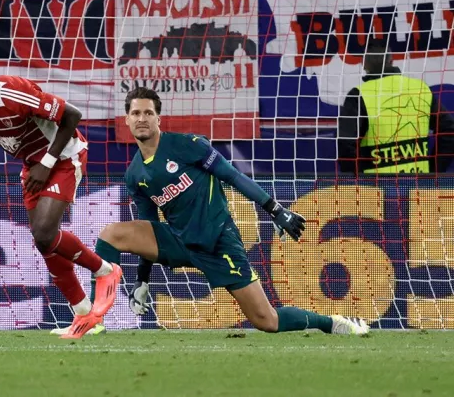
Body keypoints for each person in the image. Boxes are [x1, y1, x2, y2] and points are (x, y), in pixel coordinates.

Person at [94, 87, 371, 336]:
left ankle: (330, 323)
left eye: (148, 113)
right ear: (127, 119)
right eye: (135, 113)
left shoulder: (188, 146)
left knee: (267, 321)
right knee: (111, 234)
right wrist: (142, 280)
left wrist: (274, 209)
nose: (142, 118)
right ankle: (95, 320)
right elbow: (149, 226)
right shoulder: (134, 174)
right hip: (178, 241)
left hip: (217, 241)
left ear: (158, 119)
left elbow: (234, 177)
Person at [0, 45, 122, 339]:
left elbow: (72, 116)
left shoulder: (12, 92)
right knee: (44, 244)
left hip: (64, 156)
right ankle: (85, 316)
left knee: (43, 234)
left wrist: (46, 163)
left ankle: (105, 270)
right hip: (33, 166)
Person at [338, 40, 454, 174]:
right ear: (391, 61)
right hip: (417, 186)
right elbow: (449, 131)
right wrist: (434, 170)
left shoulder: (358, 95)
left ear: (363, 63)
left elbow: (345, 144)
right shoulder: (420, 89)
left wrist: (358, 180)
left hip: (376, 189)